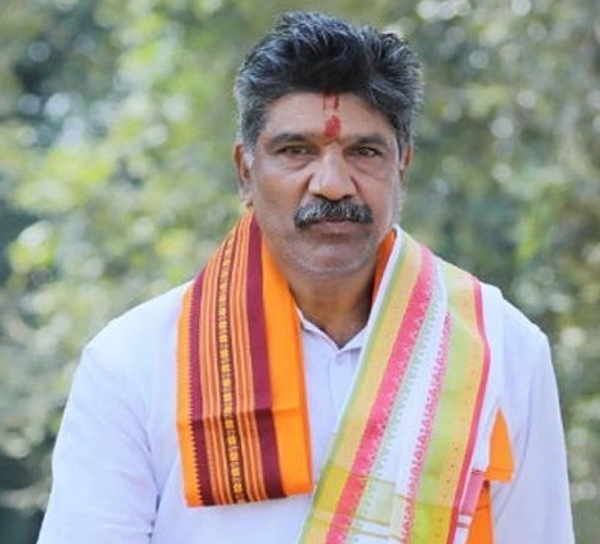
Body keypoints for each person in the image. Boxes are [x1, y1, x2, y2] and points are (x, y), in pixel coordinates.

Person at [36, 10, 574, 544]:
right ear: (245, 172)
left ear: (402, 167)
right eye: (297, 151)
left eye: (364, 152)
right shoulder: (134, 360)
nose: (333, 184)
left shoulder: (501, 347)